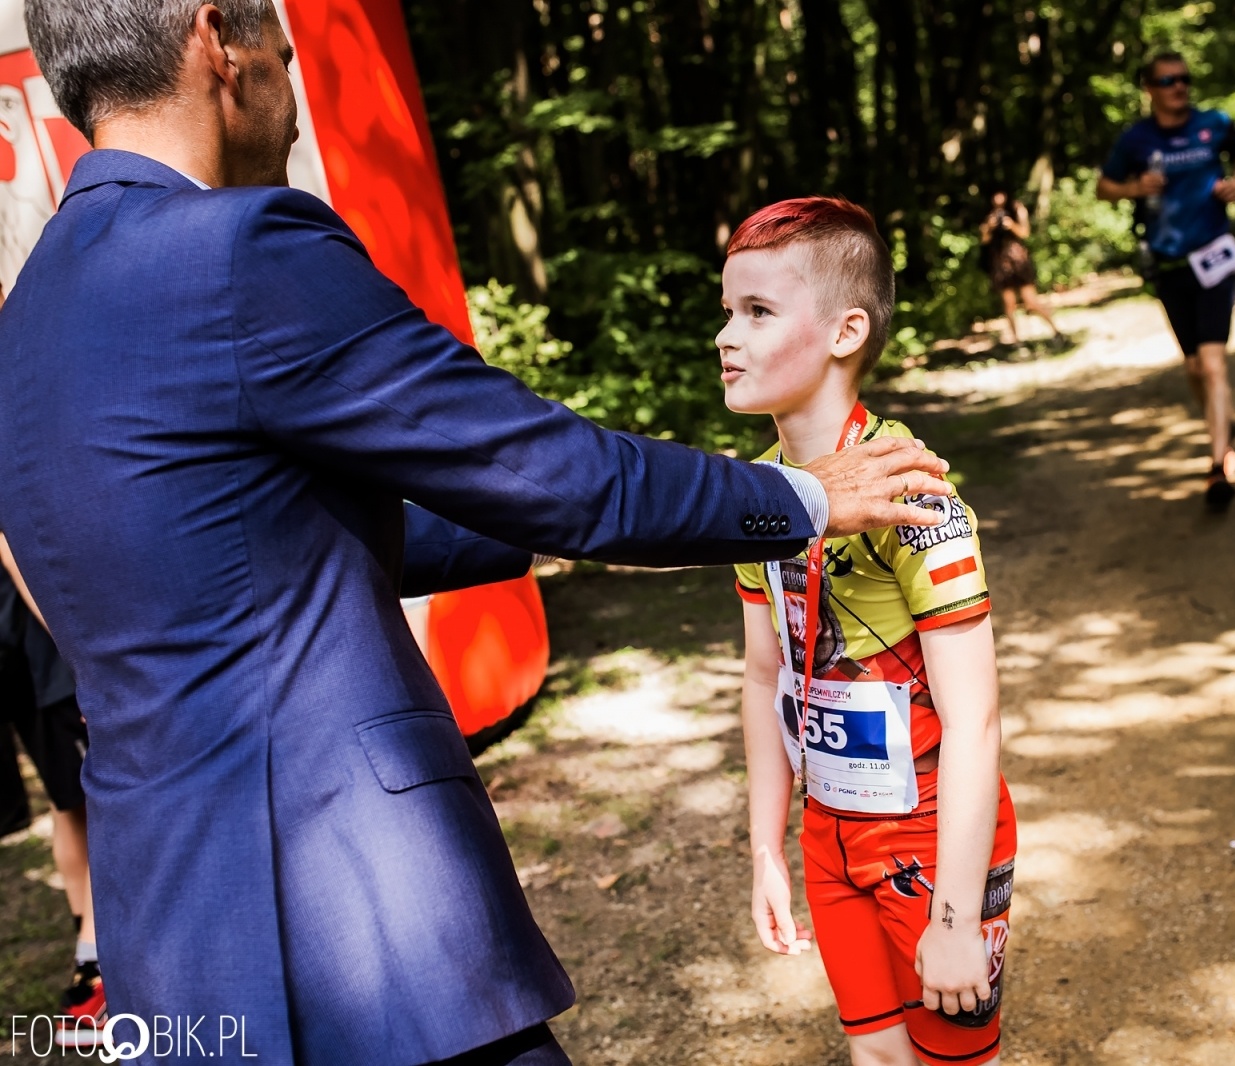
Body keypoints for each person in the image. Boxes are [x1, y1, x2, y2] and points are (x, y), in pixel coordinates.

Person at [1, 3, 956, 1064]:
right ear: (217, 38)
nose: (296, 81)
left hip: (173, 937)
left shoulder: (32, 308)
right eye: (283, 41)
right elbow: (546, 467)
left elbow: (225, 560)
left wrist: (522, 533)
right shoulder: (241, 249)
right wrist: (805, 499)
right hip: (360, 912)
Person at [720, 197, 1014, 1066]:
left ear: (848, 331)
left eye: (758, 312)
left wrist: (956, 916)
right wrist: (764, 849)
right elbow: (758, 676)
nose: (726, 337)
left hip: (929, 835)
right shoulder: (753, 493)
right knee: (878, 1058)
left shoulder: (914, 492)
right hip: (829, 830)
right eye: (727, 311)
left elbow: (976, 720)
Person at [1096, 51, 1235, 510]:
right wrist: (1134, 189)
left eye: (1185, 78)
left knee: (1212, 364)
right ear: (1149, 88)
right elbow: (1103, 186)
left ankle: (1218, 465)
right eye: (1168, 80)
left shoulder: (1214, 123)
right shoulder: (1136, 140)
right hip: (1168, 265)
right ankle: (1223, 422)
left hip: (1215, 257)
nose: (1179, 87)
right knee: (1193, 368)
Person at [0, 549, 103, 1047]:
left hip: (28, 658)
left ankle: (91, 970)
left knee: (72, 808)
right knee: (99, 805)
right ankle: (94, 982)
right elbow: (12, 548)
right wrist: (80, 647)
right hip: (44, 657)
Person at [978, 191, 1061, 345]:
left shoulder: (1016, 209)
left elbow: (1025, 233)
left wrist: (1011, 225)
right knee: (1009, 304)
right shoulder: (989, 215)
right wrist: (988, 227)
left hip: (1018, 261)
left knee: (1031, 301)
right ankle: (1016, 341)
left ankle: (1056, 331)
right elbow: (985, 241)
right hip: (1000, 264)